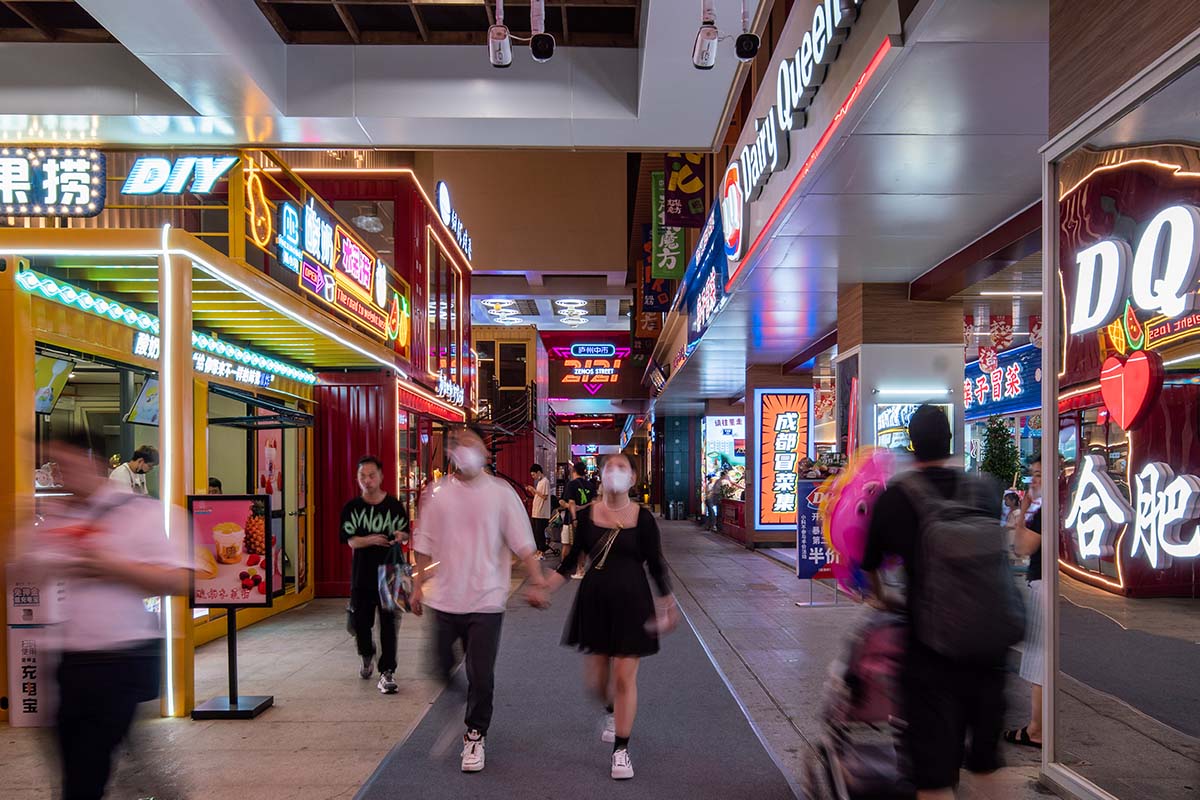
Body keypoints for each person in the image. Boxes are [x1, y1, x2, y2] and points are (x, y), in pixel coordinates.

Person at [20, 430, 191, 800]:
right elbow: (24, 573)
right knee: (77, 765)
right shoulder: (58, 519)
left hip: (122, 658)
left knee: (85, 773)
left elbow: (179, 580)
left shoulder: (139, 513)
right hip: (69, 661)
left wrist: (112, 567)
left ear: (92, 461)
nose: (60, 475)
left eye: (65, 464)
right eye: (54, 466)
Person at [862, 405, 1008, 800]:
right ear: (950, 441)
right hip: (990, 649)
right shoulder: (984, 490)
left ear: (912, 444)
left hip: (930, 654)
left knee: (933, 775)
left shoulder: (898, 496)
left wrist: (882, 598)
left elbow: (870, 563)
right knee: (986, 764)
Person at [410, 426, 548, 773]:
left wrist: (537, 580)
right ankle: (459, 700)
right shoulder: (437, 493)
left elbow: (523, 542)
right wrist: (417, 585)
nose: (463, 449)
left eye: (469, 442)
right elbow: (424, 541)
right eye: (457, 444)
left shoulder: (501, 493)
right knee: (438, 664)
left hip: (486, 599)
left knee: (480, 673)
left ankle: (475, 734)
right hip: (445, 598)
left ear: (484, 451)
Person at [543, 454, 678, 780]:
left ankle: (621, 749)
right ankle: (609, 709)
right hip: (595, 603)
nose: (615, 472)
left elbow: (656, 564)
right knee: (597, 682)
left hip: (634, 603)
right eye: (609, 467)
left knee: (623, 678)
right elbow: (571, 561)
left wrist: (667, 602)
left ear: (632, 478)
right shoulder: (587, 516)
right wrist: (545, 588)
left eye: (622, 467)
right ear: (600, 476)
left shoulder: (643, 519)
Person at [340, 455, 409, 695]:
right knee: (360, 623)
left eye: (371, 475)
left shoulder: (394, 505)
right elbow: (351, 541)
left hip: (392, 571)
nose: (367, 480)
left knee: (389, 624)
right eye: (362, 476)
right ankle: (366, 653)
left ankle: (387, 671)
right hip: (363, 573)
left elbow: (406, 533)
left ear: (381, 476)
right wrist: (371, 539)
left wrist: (400, 536)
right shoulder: (352, 508)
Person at [1006, 457, 1044, 750]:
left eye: (1039, 474)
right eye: (1033, 474)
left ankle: (1037, 729)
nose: (1034, 480)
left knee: (1039, 660)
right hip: (1045, 583)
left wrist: (1024, 512)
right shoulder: (1058, 507)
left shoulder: (1044, 511)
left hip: (1044, 584)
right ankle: (1038, 726)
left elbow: (1022, 547)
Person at [558, 461, 594, 579]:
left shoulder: (571, 484)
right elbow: (594, 502)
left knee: (566, 544)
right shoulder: (590, 485)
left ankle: (565, 569)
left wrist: (574, 518)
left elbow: (570, 502)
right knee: (581, 546)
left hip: (570, 519)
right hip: (587, 519)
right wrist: (581, 507)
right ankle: (580, 569)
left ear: (574, 471)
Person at [526, 464, 552, 558]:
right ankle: (538, 551)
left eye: (533, 475)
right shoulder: (540, 482)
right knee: (536, 533)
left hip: (542, 513)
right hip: (536, 512)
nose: (533, 477)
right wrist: (532, 490)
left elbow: (544, 496)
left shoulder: (545, 481)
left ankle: (541, 552)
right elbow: (538, 496)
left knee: (540, 533)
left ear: (538, 472)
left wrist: (534, 490)